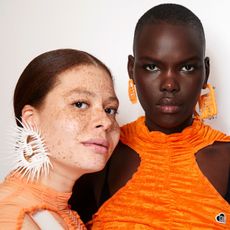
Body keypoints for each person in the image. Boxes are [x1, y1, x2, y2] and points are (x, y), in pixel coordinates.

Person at [70, 3, 230, 229]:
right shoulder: (100, 153)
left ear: (206, 72)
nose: (169, 84)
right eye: (153, 67)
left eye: (187, 68)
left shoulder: (226, 158)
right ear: (131, 69)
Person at [0, 49, 120, 229]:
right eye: (80, 104)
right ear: (32, 120)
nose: (105, 121)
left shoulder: (60, 211)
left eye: (110, 109)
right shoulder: (14, 216)